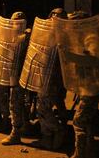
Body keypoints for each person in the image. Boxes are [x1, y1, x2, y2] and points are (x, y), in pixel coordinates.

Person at [61, 11, 99, 158]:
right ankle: (90, 150)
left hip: (93, 86)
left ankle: (80, 154)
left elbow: (95, 60)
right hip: (87, 85)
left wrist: (71, 57)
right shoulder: (80, 38)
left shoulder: (91, 38)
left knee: (79, 121)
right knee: (87, 120)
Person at [32, 8, 68, 150]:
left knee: (43, 108)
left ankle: (58, 130)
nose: (54, 17)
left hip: (54, 78)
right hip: (42, 75)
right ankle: (46, 137)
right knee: (42, 107)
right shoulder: (45, 32)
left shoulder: (65, 35)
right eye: (53, 14)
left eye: (58, 15)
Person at [1, 11, 31, 145]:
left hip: (25, 73)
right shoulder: (11, 35)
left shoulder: (28, 36)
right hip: (15, 73)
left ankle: (16, 132)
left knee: (16, 103)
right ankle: (24, 126)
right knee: (20, 102)